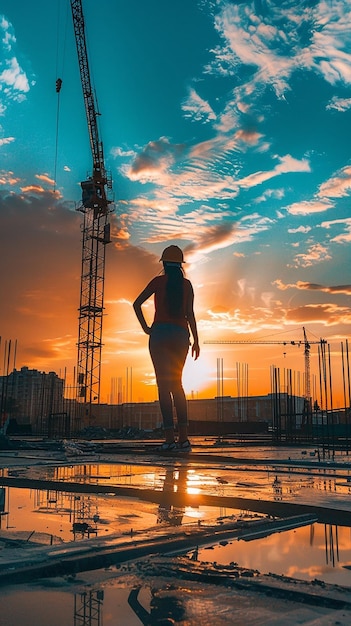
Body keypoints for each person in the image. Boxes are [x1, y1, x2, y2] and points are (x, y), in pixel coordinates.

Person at [133, 245, 200, 452]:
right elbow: (190, 314)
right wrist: (196, 341)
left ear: (163, 264)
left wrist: (146, 328)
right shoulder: (187, 285)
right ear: (180, 265)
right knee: (177, 386)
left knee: (163, 387)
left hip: (160, 335)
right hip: (181, 336)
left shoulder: (157, 282)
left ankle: (169, 439)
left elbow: (136, 304)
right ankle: (184, 439)